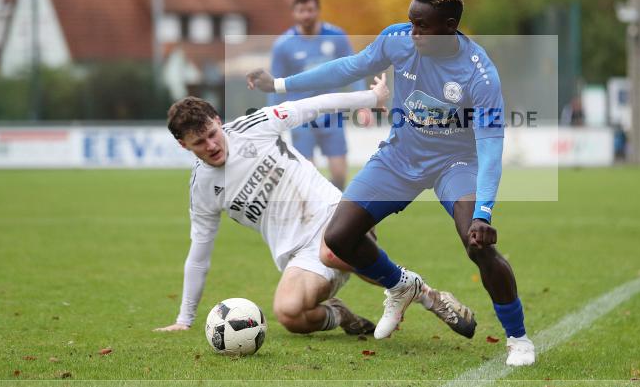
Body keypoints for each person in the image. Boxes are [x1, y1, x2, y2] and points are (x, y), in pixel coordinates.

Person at [247, 0, 534, 366]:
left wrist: (483, 213)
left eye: (422, 26)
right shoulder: (397, 39)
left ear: (449, 26)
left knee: (478, 244)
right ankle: (401, 286)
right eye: (411, 21)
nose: (411, 32)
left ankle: (518, 339)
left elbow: (490, 144)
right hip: (400, 158)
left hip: (456, 164)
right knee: (338, 236)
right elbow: (348, 68)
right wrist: (281, 84)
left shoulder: (479, 75)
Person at [154, 76, 475, 339]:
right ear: (184, 145)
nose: (211, 146)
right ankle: (341, 314)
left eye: (212, 134)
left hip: (336, 213)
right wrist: (185, 318)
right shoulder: (203, 189)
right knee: (290, 315)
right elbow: (199, 254)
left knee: (333, 250)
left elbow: (313, 106)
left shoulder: (255, 127)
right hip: (297, 254)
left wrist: (370, 97)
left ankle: (431, 298)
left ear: (218, 121)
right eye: (199, 143)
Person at [270, 0, 366, 190]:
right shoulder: (283, 45)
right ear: (294, 13)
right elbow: (274, 85)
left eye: (310, 10)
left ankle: (337, 215)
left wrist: (363, 103)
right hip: (300, 115)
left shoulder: (337, 37)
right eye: (301, 10)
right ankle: (318, 217)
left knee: (339, 174)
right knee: (309, 177)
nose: (306, 15)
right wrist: (272, 118)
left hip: (331, 113)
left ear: (318, 11)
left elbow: (355, 70)